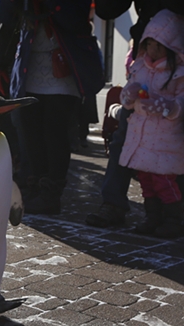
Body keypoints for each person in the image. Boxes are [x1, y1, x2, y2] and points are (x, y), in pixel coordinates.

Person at [0, 0, 105, 215]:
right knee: (31, 132)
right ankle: (35, 187)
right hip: (29, 67)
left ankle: (50, 194)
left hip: (64, 65)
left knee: (54, 131)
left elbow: (76, 21)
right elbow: (3, 15)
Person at [86, 0, 184, 228]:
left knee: (172, 155)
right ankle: (118, 204)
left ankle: (172, 217)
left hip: (175, 50)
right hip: (150, 46)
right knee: (128, 142)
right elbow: (107, 9)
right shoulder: (144, 62)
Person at [115, 9, 184, 238]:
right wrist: (128, 95)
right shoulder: (140, 66)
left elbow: (180, 102)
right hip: (141, 136)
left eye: (160, 45)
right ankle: (152, 217)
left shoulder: (178, 72)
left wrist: (168, 107)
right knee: (145, 179)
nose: (153, 50)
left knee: (164, 181)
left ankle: (174, 220)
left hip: (165, 138)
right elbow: (127, 98)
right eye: (150, 44)